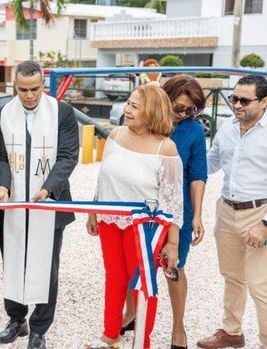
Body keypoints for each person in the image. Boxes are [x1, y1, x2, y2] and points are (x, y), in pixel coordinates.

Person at [85, 83, 183, 349]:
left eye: (134, 106)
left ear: (151, 111)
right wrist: (94, 212)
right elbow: (103, 177)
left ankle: (142, 341)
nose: (127, 109)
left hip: (145, 228)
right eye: (128, 103)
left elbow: (173, 201)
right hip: (109, 220)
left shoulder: (166, 149)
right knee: (114, 277)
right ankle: (110, 335)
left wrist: (172, 243)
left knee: (142, 282)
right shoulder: (115, 135)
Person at [0, 60, 79, 349]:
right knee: (14, 260)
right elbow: (2, 157)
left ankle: (40, 327)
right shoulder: (3, 114)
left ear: (43, 85)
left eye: (35, 89)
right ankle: (17, 319)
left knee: (47, 266)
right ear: (14, 86)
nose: (29, 96)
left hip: (48, 203)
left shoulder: (62, 112)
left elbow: (68, 155)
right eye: (22, 89)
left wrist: (47, 188)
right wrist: (3, 186)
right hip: (13, 203)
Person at [118, 75, 208, 349]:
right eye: (178, 107)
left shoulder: (193, 130)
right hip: (139, 205)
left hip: (175, 209)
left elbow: (197, 175)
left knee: (173, 266)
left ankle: (178, 327)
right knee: (133, 265)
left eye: (190, 109)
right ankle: (132, 313)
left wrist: (197, 215)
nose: (183, 114)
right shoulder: (143, 122)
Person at [197, 75, 267, 349]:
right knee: (232, 277)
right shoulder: (227, 127)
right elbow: (211, 162)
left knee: (260, 285)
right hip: (226, 211)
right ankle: (232, 331)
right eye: (234, 98)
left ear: (264, 102)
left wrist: (264, 225)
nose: (236, 105)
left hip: (260, 212)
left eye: (244, 100)